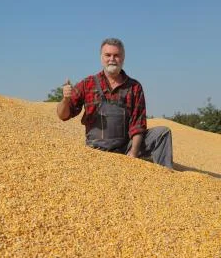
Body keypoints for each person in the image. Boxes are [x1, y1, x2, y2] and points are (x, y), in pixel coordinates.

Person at [57, 38, 173, 168]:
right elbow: (63, 115)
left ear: (123, 58)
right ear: (101, 58)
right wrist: (65, 100)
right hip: (95, 150)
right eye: (108, 55)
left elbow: (138, 124)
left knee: (163, 133)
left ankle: (166, 176)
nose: (112, 59)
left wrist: (133, 153)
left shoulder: (134, 87)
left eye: (116, 55)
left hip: (125, 147)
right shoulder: (87, 84)